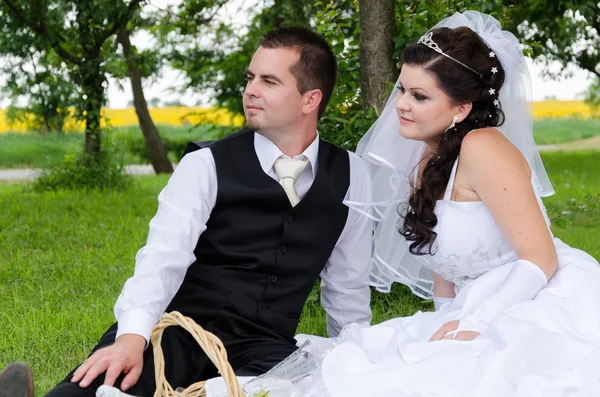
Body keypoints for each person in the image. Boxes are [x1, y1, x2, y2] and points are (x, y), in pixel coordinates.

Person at [239, 11, 600, 397]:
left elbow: (540, 257)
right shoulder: (426, 157)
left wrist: (474, 324)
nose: (401, 105)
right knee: (372, 367)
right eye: (402, 90)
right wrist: (445, 322)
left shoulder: (483, 148)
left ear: (461, 109)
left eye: (419, 96)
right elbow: (445, 260)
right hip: (473, 306)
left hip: (539, 298)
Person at [3, 26, 374, 397]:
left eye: (269, 81)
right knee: (98, 387)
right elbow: (162, 257)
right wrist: (132, 337)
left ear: (310, 100)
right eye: (250, 78)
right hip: (176, 330)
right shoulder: (205, 164)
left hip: (266, 350)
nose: (250, 90)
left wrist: (354, 363)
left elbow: (347, 287)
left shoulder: (352, 175)